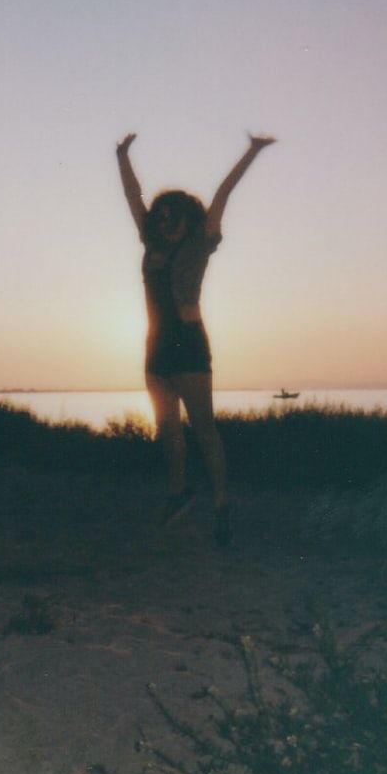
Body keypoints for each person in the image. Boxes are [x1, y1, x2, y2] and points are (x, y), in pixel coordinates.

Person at [116, 131, 276, 545]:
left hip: (188, 342)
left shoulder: (199, 245)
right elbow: (134, 199)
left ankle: (222, 506)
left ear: (189, 220)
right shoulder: (149, 245)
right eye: (161, 215)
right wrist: (122, 156)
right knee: (167, 428)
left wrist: (252, 151)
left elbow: (223, 194)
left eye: (174, 215)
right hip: (156, 347)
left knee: (203, 428)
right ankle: (179, 491)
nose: (165, 220)